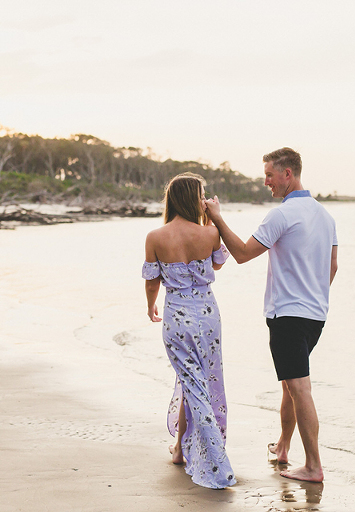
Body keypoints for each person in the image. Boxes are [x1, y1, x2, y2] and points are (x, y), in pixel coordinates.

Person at [204, 147, 338, 483]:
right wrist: (314, 295)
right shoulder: (325, 216)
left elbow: (243, 253)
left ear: (287, 174)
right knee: (290, 386)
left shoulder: (282, 214)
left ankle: (313, 466)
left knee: (299, 387)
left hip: (289, 315)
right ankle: (282, 447)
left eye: (269, 175)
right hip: (315, 315)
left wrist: (218, 218)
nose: (266, 182)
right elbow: (332, 267)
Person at [142, 172, 236, 489]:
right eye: (202, 195)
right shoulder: (209, 234)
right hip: (208, 314)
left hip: (177, 314)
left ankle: (213, 458)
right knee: (202, 382)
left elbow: (152, 280)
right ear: (195, 199)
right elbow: (218, 265)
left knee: (191, 382)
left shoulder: (155, 236)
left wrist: (149, 306)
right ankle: (181, 450)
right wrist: (214, 219)